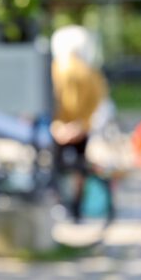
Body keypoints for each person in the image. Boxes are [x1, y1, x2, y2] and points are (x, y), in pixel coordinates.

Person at [49, 25, 109, 222]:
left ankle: (61, 204)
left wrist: (58, 127)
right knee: (79, 167)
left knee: (56, 166)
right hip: (80, 129)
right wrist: (82, 126)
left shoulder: (54, 69)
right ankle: (75, 206)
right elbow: (99, 103)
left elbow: (49, 101)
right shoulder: (91, 73)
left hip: (59, 129)